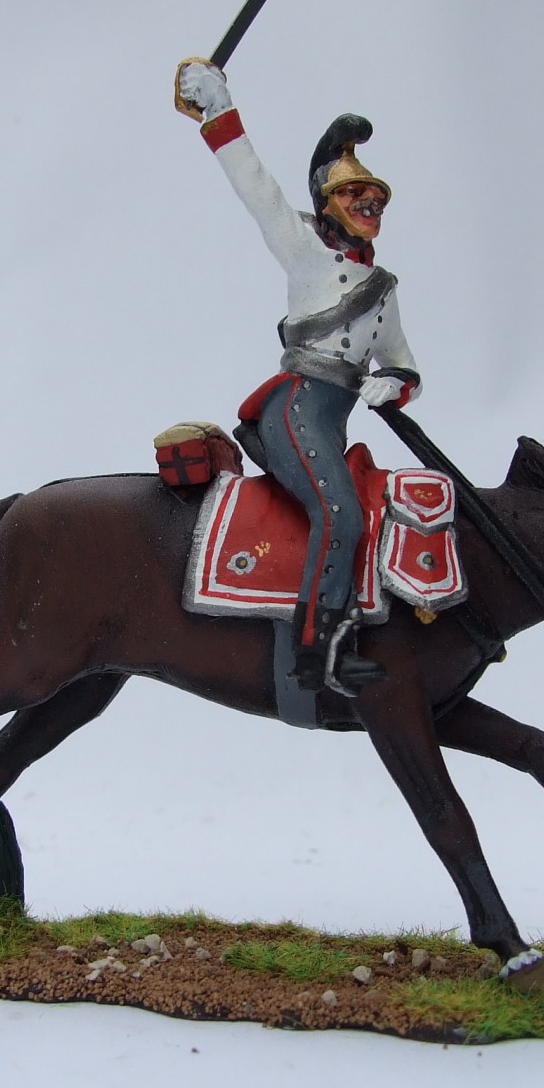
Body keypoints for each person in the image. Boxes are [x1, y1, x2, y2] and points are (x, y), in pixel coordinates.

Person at [176, 58, 421, 694]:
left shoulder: (383, 289)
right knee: (340, 515)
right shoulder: (306, 250)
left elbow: (402, 362)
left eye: (376, 199)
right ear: (327, 204)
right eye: (355, 196)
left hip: (335, 421)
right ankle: (318, 651)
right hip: (295, 409)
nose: (369, 206)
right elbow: (256, 187)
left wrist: (394, 384)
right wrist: (218, 109)